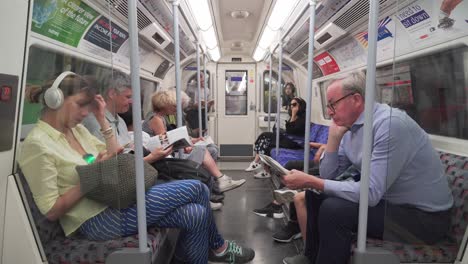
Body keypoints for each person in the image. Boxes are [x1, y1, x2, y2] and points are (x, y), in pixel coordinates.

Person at [18, 72, 255, 263]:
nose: (84, 113)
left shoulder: (76, 130)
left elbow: (114, 154)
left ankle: (202, 254)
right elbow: (51, 210)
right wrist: (90, 178)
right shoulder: (38, 144)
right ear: (54, 100)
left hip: (113, 199)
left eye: (87, 107)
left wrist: (102, 120)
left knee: (197, 213)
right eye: (81, 105)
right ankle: (220, 248)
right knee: (196, 188)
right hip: (96, 219)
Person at [281, 71, 453, 264]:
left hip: (424, 218)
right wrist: (333, 139)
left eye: (332, 104)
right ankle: (311, 257)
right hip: (390, 203)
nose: (329, 111)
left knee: (334, 210)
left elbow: (371, 193)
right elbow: (329, 174)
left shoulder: (389, 125)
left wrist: (312, 181)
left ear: (356, 99)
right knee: (315, 197)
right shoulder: (349, 127)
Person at [82, 72, 245, 194]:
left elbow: (127, 151)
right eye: (128, 97)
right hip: (128, 175)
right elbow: (112, 164)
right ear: (111, 94)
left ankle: (214, 187)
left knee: (200, 162)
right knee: (200, 161)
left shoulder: (121, 121)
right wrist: (151, 156)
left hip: (139, 163)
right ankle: (215, 185)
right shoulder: (95, 123)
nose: (132, 101)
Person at [245, 97, 307, 179]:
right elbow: (288, 130)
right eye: (291, 105)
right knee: (266, 141)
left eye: (294, 104)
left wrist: (293, 115)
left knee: (265, 136)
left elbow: (291, 131)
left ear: (300, 106)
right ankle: (265, 170)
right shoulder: (293, 116)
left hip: (294, 142)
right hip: (288, 139)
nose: (292, 106)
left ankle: (256, 162)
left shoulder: (303, 119)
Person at [185, 72, 213, 137]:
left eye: (203, 81)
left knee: (204, 130)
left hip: (203, 112)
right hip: (192, 112)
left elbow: (208, 102)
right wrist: (193, 105)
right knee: (195, 130)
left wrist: (208, 104)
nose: (202, 83)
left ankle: (202, 142)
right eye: (200, 82)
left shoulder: (207, 90)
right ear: (196, 81)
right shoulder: (190, 88)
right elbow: (184, 102)